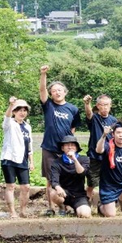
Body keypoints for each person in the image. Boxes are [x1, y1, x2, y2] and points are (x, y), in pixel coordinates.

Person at [39, 65, 82, 216]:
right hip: (50, 148)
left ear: (65, 92)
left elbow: (73, 129)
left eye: (60, 90)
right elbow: (42, 91)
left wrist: (70, 147)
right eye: (54, 90)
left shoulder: (73, 109)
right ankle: (51, 207)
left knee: (67, 178)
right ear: (51, 94)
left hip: (66, 150)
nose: (57, 92)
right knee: (51, 180)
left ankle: (65, 206)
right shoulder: (48, 105)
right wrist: (43, 74)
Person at [0, 97, 34, 219]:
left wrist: (31, 161)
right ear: (14, 111)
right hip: (9, 158)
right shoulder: (10, 124)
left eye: (24, 110)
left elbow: (29, 145)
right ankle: (12, 212)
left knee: (26, 187)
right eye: (19, 109)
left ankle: (23, 211)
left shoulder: (27, 127)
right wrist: (10, 105)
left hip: (23, 160)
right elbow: (7, 118)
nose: (22, 112)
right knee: (11, 186)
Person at [82, 94, 117, 206]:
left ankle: (107, 203)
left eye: (107, 105)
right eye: (102, 105)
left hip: (109, 156)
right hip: (94, 156)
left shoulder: (114, 121)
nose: (104, 107)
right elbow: (88, 113)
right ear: (97, 106)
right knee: (92, 182)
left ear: (110, 106)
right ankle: (87, 203)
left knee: (108, 181)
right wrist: (87, 104)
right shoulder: (95, 118)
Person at [49, 135, 92, 218]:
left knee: (85, 214)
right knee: (53, 192)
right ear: (62, 148)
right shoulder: (56, 163)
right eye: (67, 145)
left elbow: (82, 173)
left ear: (76, 148)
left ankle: (75, 209)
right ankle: (62, 207)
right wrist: (58, 188)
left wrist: (74, 159)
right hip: (64, 193)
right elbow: (54, 181)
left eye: (72, 145)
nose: (70, 147)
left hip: (79, 195)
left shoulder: (84, 159)